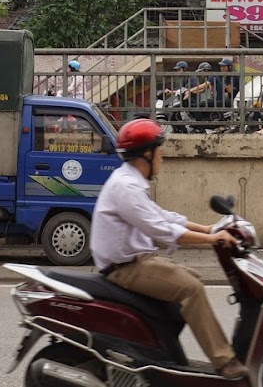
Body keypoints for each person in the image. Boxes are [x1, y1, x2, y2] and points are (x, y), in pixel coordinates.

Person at [91, 118, 249, 381]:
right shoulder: (126, 188)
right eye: (160, 154)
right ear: (146, 154)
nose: (162, 160)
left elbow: (164, 217)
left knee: (192, 280)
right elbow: (162, 230)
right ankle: (225, 361)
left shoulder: (130, 182)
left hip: (136, 262)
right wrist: (212, 239)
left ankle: (163, 353)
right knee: (191, 288)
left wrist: (209, 229)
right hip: (126, 269)